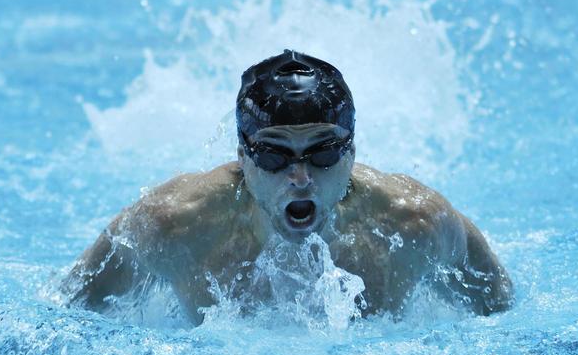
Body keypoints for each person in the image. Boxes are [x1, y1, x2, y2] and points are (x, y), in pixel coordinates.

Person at [62, 50, 512, 323]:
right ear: (243, 155)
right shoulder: (172, 226)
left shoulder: (416, 224)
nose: (300, 177)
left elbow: (504, 315)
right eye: (275, 155)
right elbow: (65, 314)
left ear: (351, 152)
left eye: (322, 153)